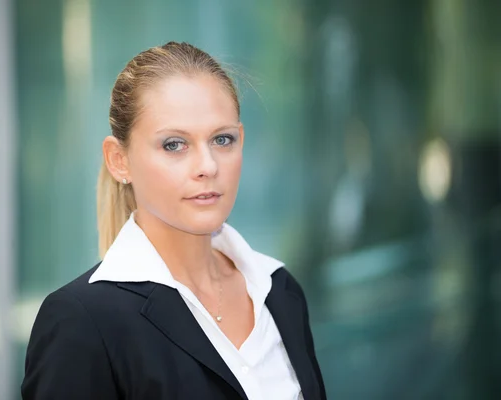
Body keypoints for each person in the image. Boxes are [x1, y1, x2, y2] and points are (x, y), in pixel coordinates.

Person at [21, 41, 326, 400]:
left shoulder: (279, 290)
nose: (208, 166)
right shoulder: (82, 323)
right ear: (119, 160)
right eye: (174, 145)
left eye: (222, 139)